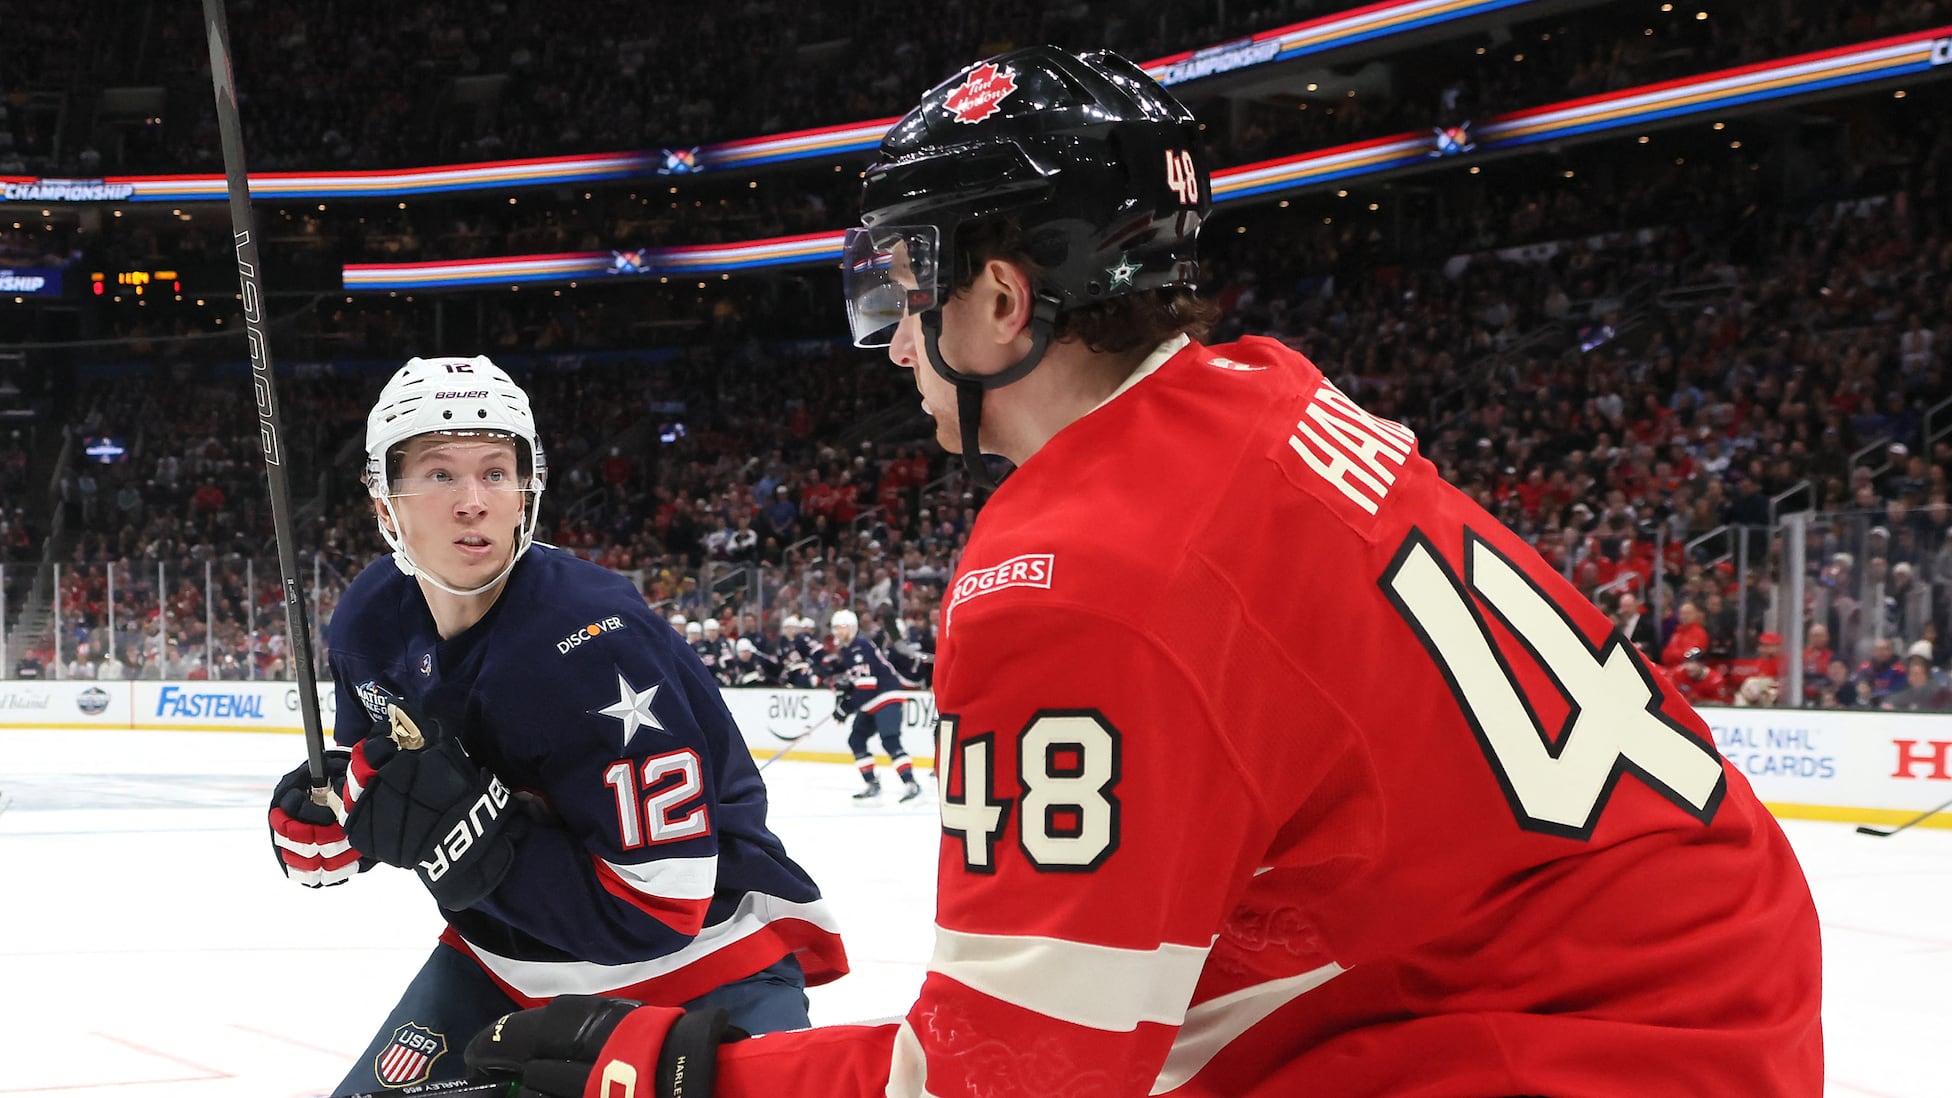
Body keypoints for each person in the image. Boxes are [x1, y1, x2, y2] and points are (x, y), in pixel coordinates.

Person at [463, 47, 1821, 1097]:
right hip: (1674, 973)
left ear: (1000, 301)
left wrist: (675, 1068)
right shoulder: (1264, 391)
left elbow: (1008, 1078)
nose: (882, 340)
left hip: (1588, 1041)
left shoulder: (1077, 570)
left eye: (897, 290)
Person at [263, 355, 847, 1095]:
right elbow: (384, 771)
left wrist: (464, 837)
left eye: (496, 471)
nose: (473, 501)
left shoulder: (594, 642)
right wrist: (341, 816)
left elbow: (662, 906)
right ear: (386, 503)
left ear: (524, 491)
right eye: (440, 474)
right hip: (503, 968)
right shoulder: (369, 619)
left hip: (703, 971)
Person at [821, 607, 922, 801]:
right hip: (872, 700)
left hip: (886, 696)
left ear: (851, 628)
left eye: (842, 627)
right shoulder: (849, 649)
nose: (837, 632)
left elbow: (867, 686)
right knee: (856, 740)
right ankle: (872, 783)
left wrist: (846, 707)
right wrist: (845, 694)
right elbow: (859, 682)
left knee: (889, 740)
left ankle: (911, 783)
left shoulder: (860, 646)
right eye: (835, 628)